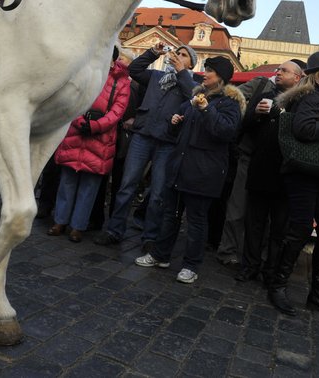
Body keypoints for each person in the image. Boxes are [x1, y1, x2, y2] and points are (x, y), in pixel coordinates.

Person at [134, 56, 243, 284]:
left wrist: (206, 110)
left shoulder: (229, 103)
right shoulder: (195, 98)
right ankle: (160, 255)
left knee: (196, 221)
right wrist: (175, 123)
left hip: (203, 173)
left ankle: (191, 266)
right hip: (180, 167)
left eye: (210, 70)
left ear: (220, 77)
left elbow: (226, 132)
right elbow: (178, 131)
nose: (205, 72)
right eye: (206, 68)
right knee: (170, 216)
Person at [265, 50, 319, 322]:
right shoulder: (311, 97)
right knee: (301, 227)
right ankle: (277, 285)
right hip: (304, 173)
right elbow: (304, 130)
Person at [94, 43, 198, 251]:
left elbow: (192, 96)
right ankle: (115, 230)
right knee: (126, 186)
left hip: (167, 142)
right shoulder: (157, 76)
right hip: (142, 136)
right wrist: (152, 53)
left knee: (158, 193)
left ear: (191, 64)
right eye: (177, 53)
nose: (178, 56)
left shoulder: (191, 83)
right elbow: (134, 70)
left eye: (184, 55)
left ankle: (150, 237)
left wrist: (182, 73)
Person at [48, 47, 130, 242]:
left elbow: (117, 112)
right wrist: (79, 121)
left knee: (89, 186)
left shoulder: (122, 81)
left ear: (112, 60)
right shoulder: (85, 74)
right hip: (77, 132)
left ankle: (78, 226)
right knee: (67, 181)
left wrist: (95, 126)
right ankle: (60, 220)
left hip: (100, 138)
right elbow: (71, 101)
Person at [234, 60, 305, 283]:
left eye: (284, 70)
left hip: (286, 173)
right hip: (261, 167)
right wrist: (255, 113)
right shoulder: (266, 92)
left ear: (298, 77)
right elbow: (244, 125)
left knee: (279, 228)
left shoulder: (303, 101)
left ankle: (271, 269)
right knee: (254, 223)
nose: (278, 73)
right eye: (278, 69)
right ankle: (250, 266)